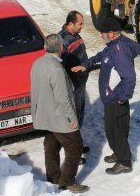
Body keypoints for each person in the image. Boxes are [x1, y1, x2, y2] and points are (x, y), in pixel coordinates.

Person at [71, 17, 140, 175]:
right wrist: (85, 65)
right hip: (113, 98)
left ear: (111, 33)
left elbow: (129, 78)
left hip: (115, 99)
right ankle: (119, 152)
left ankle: (124, 162)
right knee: (117, 129)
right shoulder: (113, 46)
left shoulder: (119, 51)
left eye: (103, 33)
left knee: (115, 131)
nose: (101, 35)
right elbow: (101, 56)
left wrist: (122, 97)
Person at [30, 34, 89, 194]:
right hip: (59, 116)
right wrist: (72, 118)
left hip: (45, 114)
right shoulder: (56, 69)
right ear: (61, 49)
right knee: (75, 146)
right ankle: (68, 181)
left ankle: (54, 177)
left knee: (51, 145)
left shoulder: (37, 63)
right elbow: (63, 98)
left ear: (45, 48)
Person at [59, 11, 91, 158]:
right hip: (73, 85)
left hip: (80, 83)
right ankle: (73, 154)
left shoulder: (74, 35)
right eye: (80, 23)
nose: (82, 26)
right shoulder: (63, 41)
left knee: (78, 116)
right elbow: (60, 67)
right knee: (72, 119)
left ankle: (77, 145)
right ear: (70, 24)